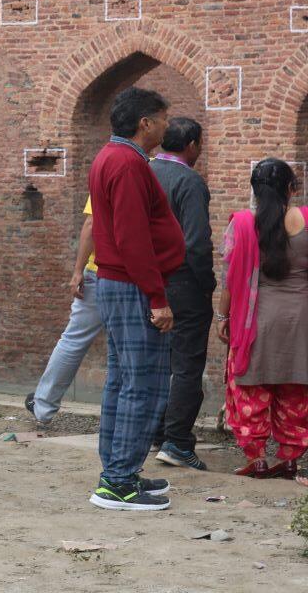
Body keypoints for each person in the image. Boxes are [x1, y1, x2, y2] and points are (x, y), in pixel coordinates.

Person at [87, 86, 185, 511]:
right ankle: (118, 482)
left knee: (124, 380)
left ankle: (118, 471)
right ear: (145, 122)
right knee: (142, 385)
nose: (168, 126)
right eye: (163, 119)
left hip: (118, 282)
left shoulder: (113, 157)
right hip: (130, 285)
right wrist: (156, 297)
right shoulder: (127, 163)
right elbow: (133, 237)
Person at [218, 159, 308, 479]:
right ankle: (289, 458)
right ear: (290, 189)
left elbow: (231, 278)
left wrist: (222, 316)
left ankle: (257, 458)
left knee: (251, 390)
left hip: (255, 322)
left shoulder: (243, 224)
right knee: (295, 392)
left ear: (255, 192)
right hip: (300, 324)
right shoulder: (306, 220)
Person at [151, 118, 215, 471]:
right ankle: (176, 441)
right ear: (191, 145)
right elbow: (196, 244)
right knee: (187, 364)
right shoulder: (188, 181)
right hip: (182, 283)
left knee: (159, 361)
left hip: (147, 283)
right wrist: (207, 283)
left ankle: (159, 433)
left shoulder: (145, 172)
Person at [25, 197, 103, 423]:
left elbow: (91, 224)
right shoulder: (149, 173)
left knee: (73, 340)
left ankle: (43, 407)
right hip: (134, 277)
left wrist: (78, 270)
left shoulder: (106, 170)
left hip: (99, 272)